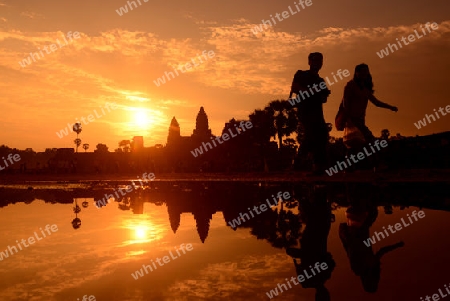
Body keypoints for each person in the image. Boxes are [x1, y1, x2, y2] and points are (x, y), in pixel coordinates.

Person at [289, 52, 331, 175]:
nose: (317, 63)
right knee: (312, 135)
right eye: (315, 60)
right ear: (309, 62)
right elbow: (295, 88)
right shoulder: (301, 74)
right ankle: (303, 163)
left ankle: (315, 165)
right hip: (305, 111)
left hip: (317, 112)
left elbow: (324, 99)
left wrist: (321, 94)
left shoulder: (321, 81)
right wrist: (312, 92)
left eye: (320, 61)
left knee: (320, 136)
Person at [342, 63, 398, 142]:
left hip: (361, 120)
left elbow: (376, 102)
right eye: (362, 71)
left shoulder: (365, 89)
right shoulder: (350, 85)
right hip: (352, 120)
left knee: (360, 143)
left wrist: (390, 107)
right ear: (356, 73)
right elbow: (345, 102)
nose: (364, 73)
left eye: (366, 71)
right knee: (362, 141)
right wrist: (348, 119)